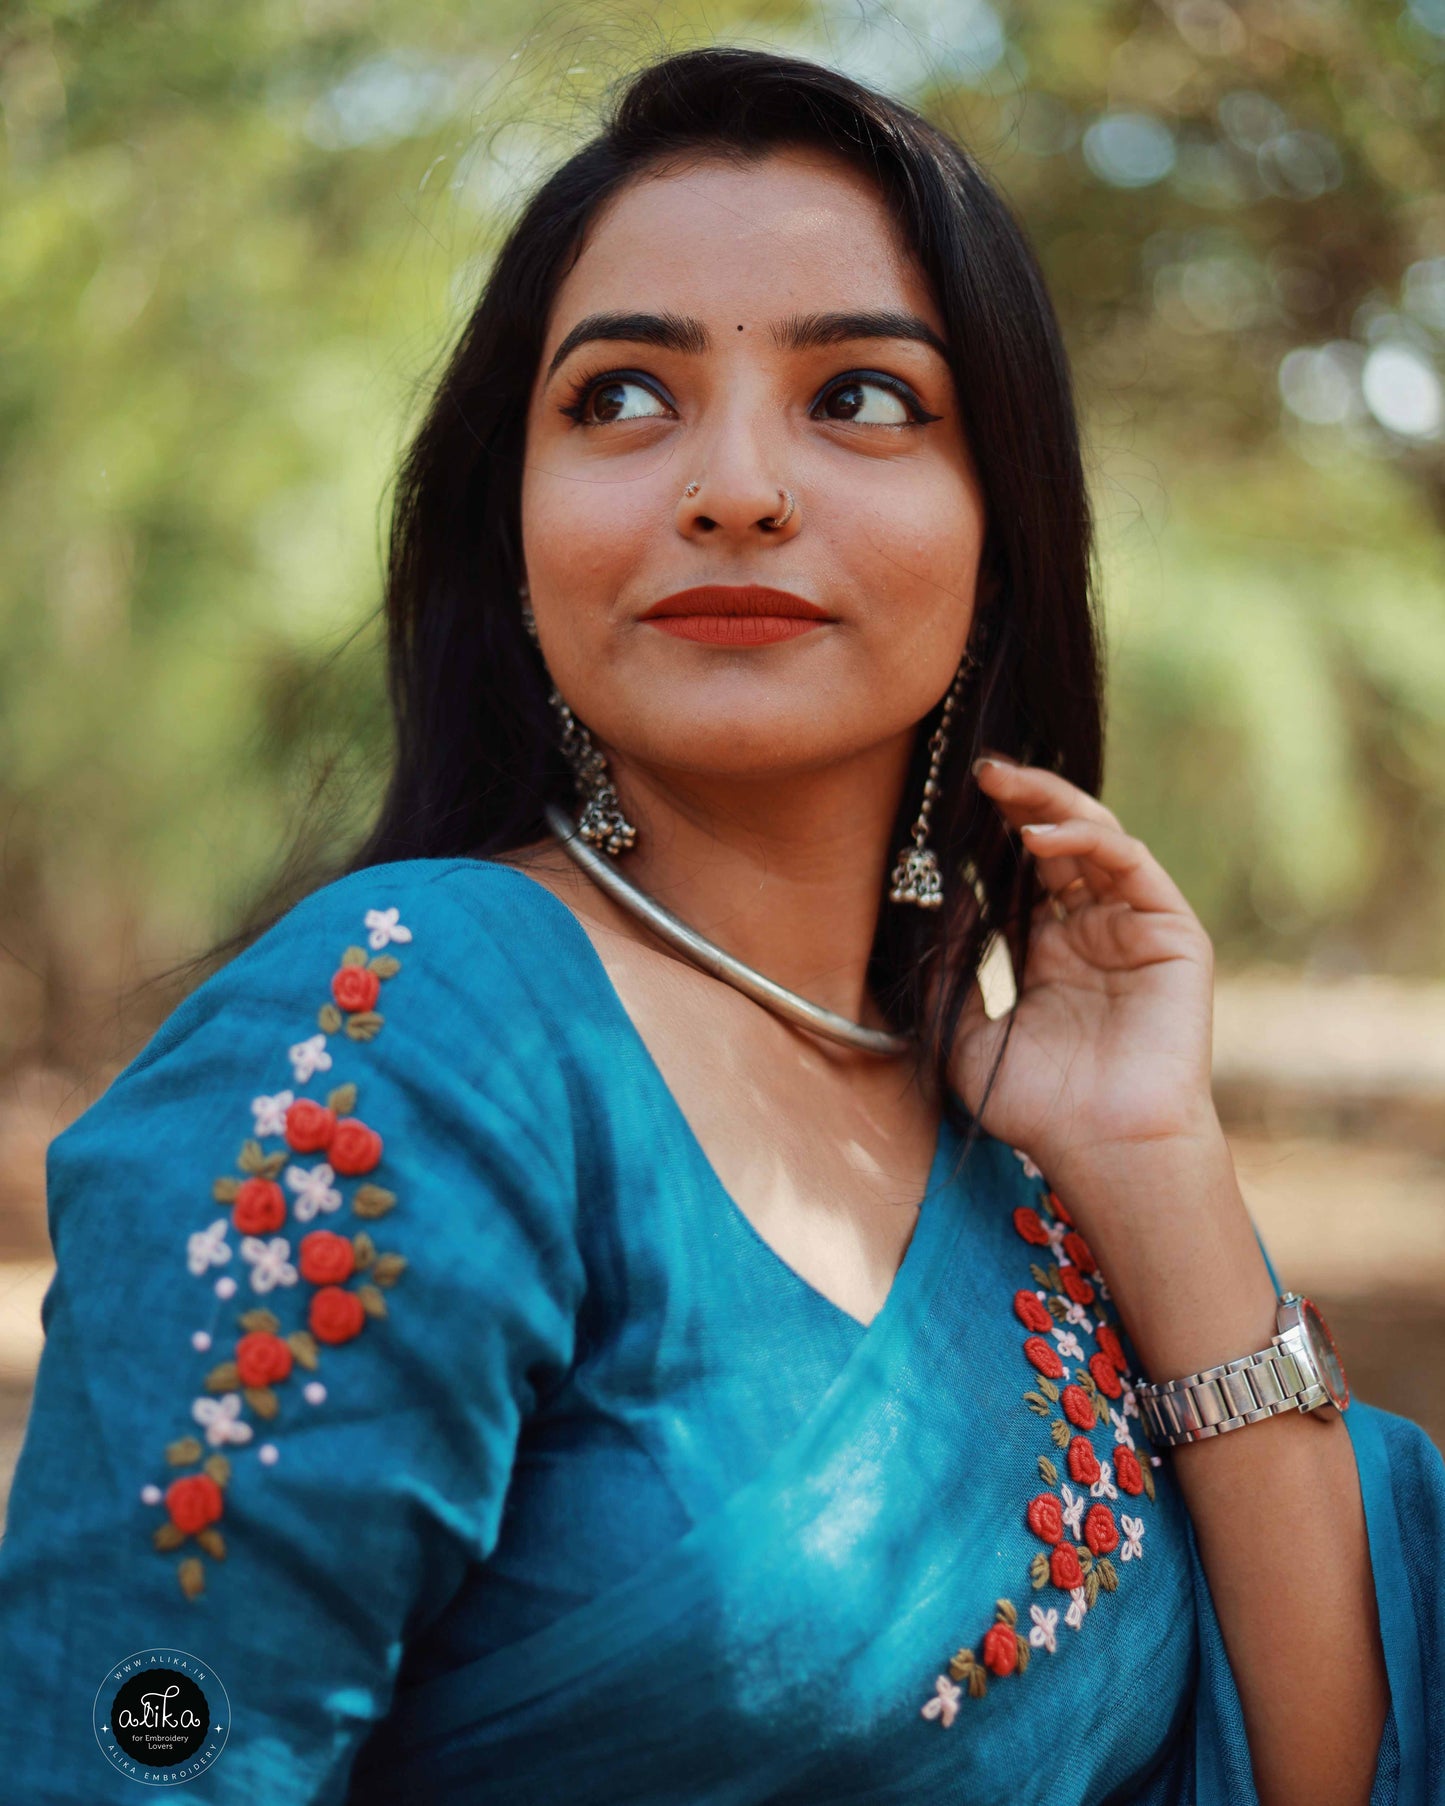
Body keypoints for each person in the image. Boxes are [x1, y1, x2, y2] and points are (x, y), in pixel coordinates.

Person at [0, 44, 1441, 1806]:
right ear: (511, 541)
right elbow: (130, 1732)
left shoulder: (1009, 1151)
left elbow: (1325, 1765)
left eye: (860, 398)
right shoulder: (411, 1030)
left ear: (998, 535)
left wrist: (1153, 1154)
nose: (735, 486)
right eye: (619, 399)